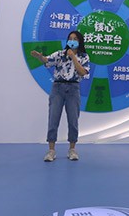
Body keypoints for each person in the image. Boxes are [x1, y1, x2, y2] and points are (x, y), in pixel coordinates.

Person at [31, 31, 90, 162]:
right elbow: (47, 60)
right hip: (57, 88)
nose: (72, 41)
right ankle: (51, 150)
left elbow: (83, 72)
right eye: (70, 38)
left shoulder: (84, 56)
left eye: (75, 39)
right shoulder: (60, 54)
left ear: (79, 41)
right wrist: (40, 57)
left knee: (73, 120)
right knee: (53, 118)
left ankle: (72, 149)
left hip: (73, 89)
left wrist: (73, 57)